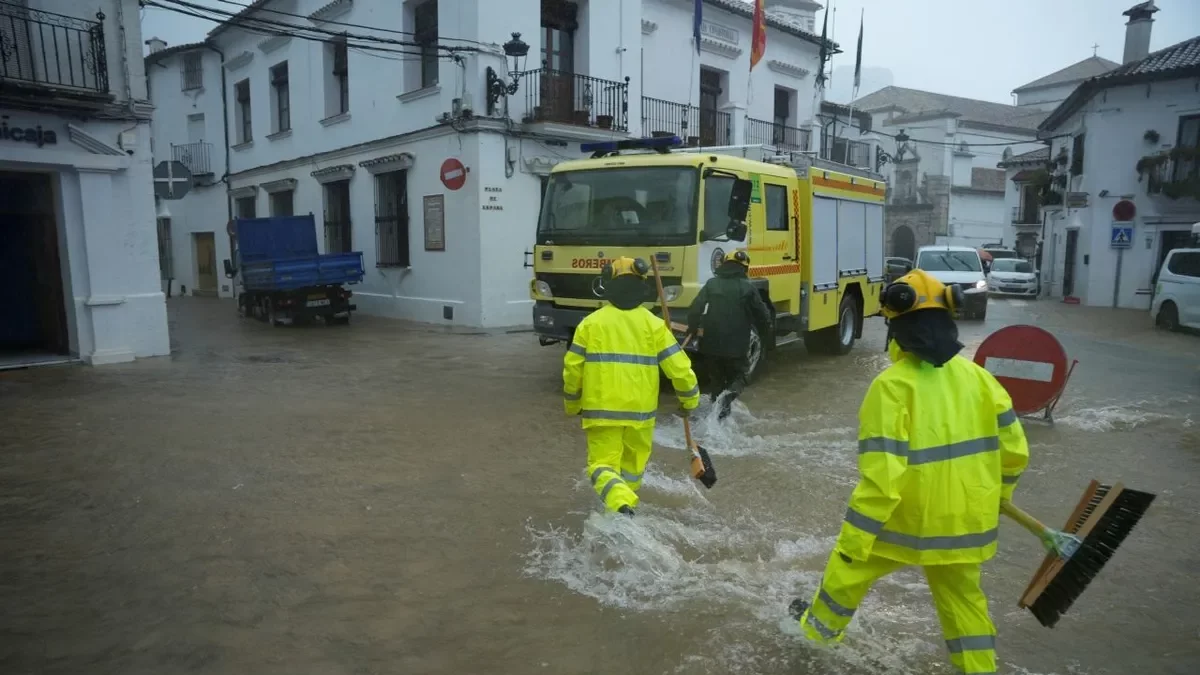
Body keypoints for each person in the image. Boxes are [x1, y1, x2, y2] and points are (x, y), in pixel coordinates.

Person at [789, 269, 1029, 675]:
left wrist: (854, 540)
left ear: (896, 328)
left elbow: (883, 480)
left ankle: (811, 644)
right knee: (964, 604)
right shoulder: (982, 379)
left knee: (845, 575)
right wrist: (999, 498)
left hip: (905, 523)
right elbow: (1015, 453)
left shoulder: (891, 386)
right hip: (966, 523)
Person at [562, 257, 701, 516]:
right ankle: (622, 513)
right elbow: (680, 368)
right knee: (632, 470)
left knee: (601, 467)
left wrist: (572, 404)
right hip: (641, 415)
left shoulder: (590, 324)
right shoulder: (653, 325)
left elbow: (572, 370)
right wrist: (689, 400)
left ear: (609, 285)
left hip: (601, 412)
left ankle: (619, 504)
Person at [686, 249, 772, 420]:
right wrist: (765, 336)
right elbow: (763, 316)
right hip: (736, 347)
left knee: (716, 381)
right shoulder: (748, 288)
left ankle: (716, 419)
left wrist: (693, 329)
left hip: (710, 345)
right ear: (744, 268)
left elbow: (695, 308)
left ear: (724, 264)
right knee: (740, 376)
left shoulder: (711, 284)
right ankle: (727, 400)